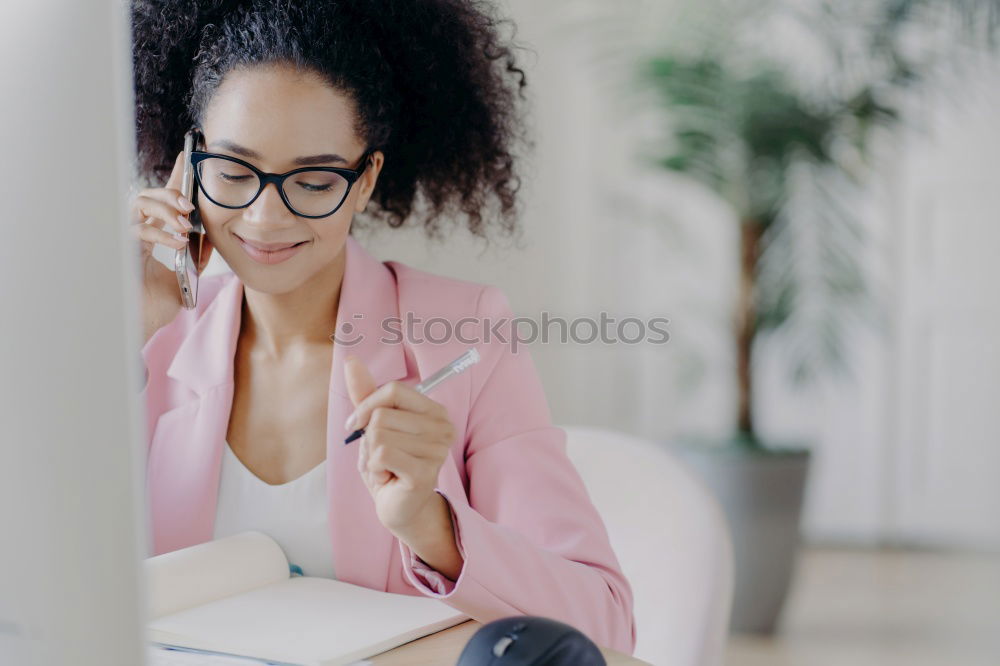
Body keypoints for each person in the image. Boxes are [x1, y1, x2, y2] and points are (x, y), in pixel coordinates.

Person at [128, 0, 635, 654]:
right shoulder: (150, 337)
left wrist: (429, 525)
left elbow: (604, 626)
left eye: (312, 180)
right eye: (232, 171)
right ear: (187, 165)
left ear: (366, 180)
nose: (263, 216)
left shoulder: (465, 334)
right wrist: (127, 330)